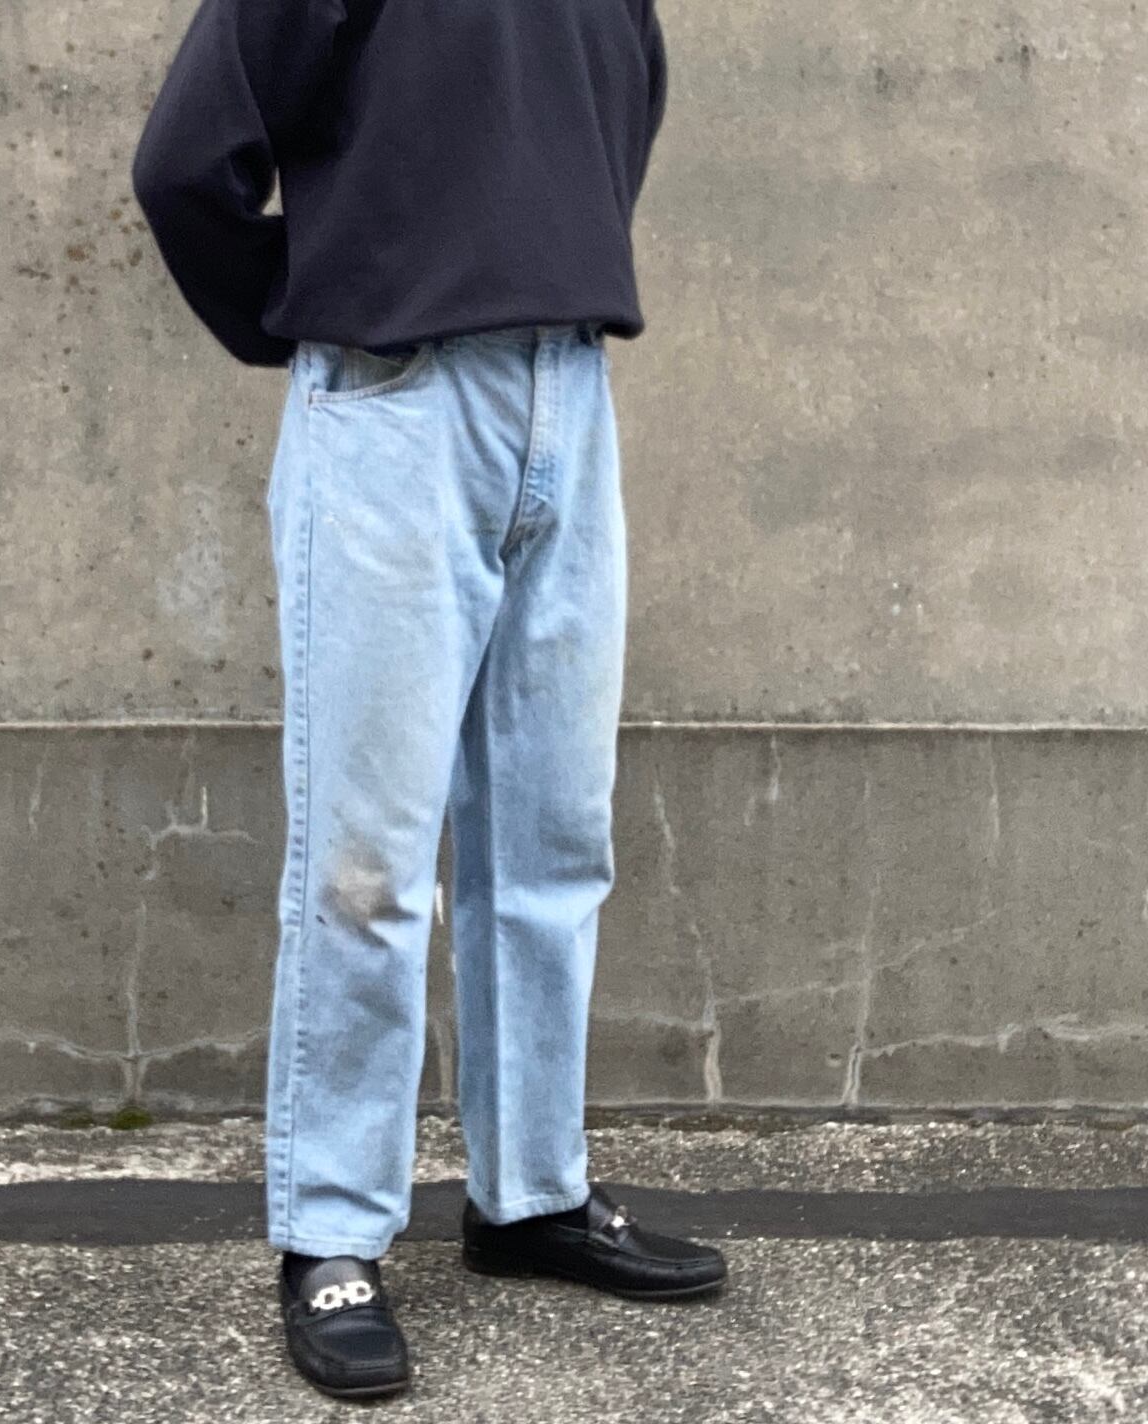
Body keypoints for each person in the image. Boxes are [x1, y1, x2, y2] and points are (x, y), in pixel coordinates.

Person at [132, 0, 728, 1399]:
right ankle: (333, 1234)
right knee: (368, 863)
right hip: (395, 402)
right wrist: (318, 301)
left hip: (567, 394)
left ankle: (531, 1196)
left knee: (552, 841)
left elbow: (616, 116)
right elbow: (185, 161)